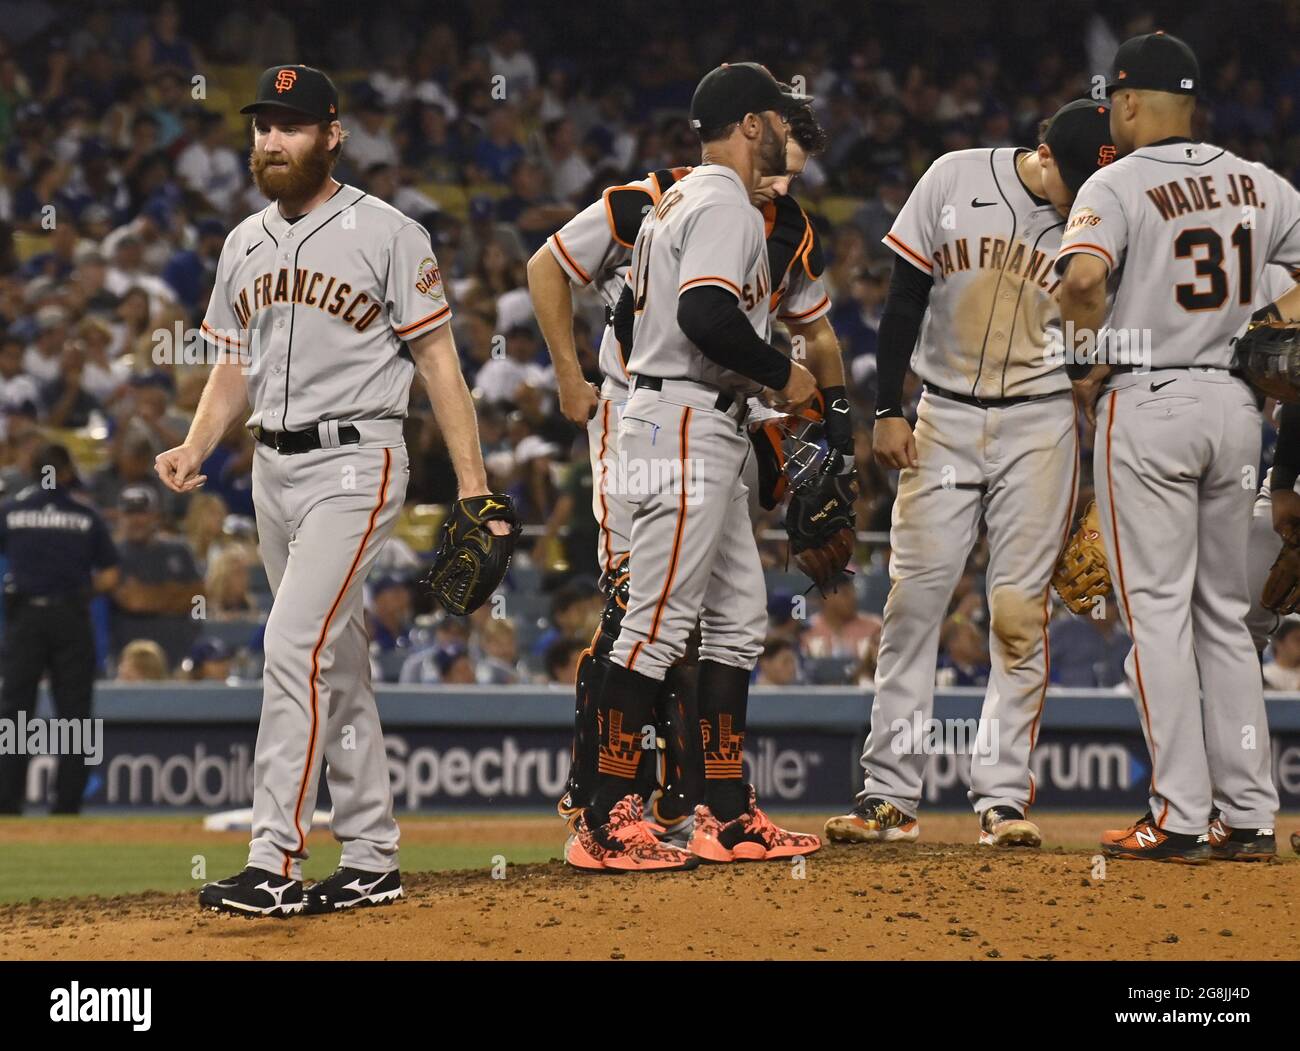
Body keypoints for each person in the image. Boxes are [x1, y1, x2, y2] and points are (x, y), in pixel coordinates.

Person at [155, 64, 508, 917]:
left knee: (291, 645)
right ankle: (374, 853)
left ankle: (273, 858)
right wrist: (198, 442)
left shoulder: (391, 233)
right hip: (269, 471)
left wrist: (473, 489)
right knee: (336, 662)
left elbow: (439, 364)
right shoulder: (241, 241)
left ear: (331, 134)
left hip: (359, 460)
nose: (272, 141)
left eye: (291, 125)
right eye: (261, 127)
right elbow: (231, 366)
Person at [529, 77, 846, 855]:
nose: (783, 133)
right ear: (749, 123)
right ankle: (607, 814)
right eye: (774, 118)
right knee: (657, 624)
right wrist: (786, 375)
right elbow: (707, 316)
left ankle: (726, 814)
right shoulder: (726, 204)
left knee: (737, 621)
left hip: (704, 421)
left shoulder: (691, 197)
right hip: (679, 421)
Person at [824, 99, 1116, 850]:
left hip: (1040, 420)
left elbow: (1098, 349)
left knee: (1019, 616)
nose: (1081, 193)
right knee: (914, 602)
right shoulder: (954, 177)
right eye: (1075, 177)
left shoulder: (1100, 214)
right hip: (945, 416)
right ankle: (888, 794)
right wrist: (888, 407)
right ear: (1044, 150)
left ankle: (1002, 797)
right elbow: (904, 299)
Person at [1057, 32, 1298, 862]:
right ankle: (1253, 815)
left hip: (1147, 397)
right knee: (1225, 619)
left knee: (1157, 614)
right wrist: (1275, 330)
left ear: (1127, 101)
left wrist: (1082, 358)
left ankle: (1179, 813)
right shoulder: (1260, 181)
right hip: (1237, 408)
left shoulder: (1114, 180)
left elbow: (1083, 280)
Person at [0, 444, 119, 813]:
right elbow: (111, 576)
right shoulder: (86, 514)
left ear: (33, 470)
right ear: (66, 472)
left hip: (26, 618)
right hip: (70, 618)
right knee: (75, 715)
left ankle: (6, 805)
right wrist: (80, 589)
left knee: (15, 715)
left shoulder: (12, 511)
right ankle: (67, 808)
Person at [109, 485, 203, 668]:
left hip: (179, 654)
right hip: (130, 659)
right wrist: (175, 594)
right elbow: (134, 601)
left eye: (142, 513)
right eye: (130, 513)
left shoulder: (179, 550)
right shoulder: (112, 554)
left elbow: (198, 597)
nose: (136, 520)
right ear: (120, 518)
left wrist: (147, 596)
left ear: (156, 516)